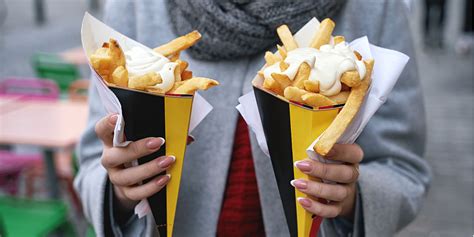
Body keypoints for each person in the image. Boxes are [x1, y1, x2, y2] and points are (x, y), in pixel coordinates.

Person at [74, 0, 432, 236]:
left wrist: (351, 199)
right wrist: (122, 191)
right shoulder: (135, 5)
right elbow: (93, 163)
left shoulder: (374, 7)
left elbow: (402, 169)